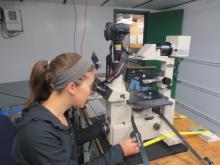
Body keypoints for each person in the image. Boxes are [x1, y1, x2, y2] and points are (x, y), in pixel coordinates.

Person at [12, 52, 139, 165]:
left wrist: (99, 128)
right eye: (90, 86)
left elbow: (69, 140)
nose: (92, 92)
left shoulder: (59, 113)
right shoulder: (37, 133)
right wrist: (119, 152)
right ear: (72, 87)